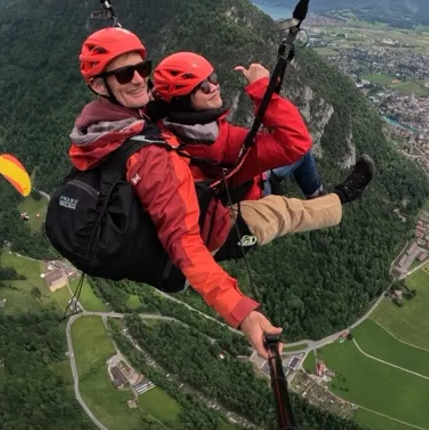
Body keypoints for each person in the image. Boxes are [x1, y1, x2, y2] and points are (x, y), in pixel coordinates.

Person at [70, 28, 375, 358]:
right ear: (99, 85)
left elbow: (143, 100)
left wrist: (148, 95)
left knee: (294, 161)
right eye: (124, 74)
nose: (214, 86)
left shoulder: (100, 130)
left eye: (143, 69)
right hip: (218, 228)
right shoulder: (164, 153)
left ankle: (312, 191)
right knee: (282, 211)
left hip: (220, 188)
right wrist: (243, 314)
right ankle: (341, 197)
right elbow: (184, 241)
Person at [150, 51, 324, 201]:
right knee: (303, 151)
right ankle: (316, 197)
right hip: (255, 191)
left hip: (242, 180)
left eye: (212, 78)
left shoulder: (167, 128)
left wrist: (154, 102)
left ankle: (312, 192)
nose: (214, 87)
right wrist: (262, 90)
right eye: (204, 87)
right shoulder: (214, 144)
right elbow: (296, 142)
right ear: (183, 101)